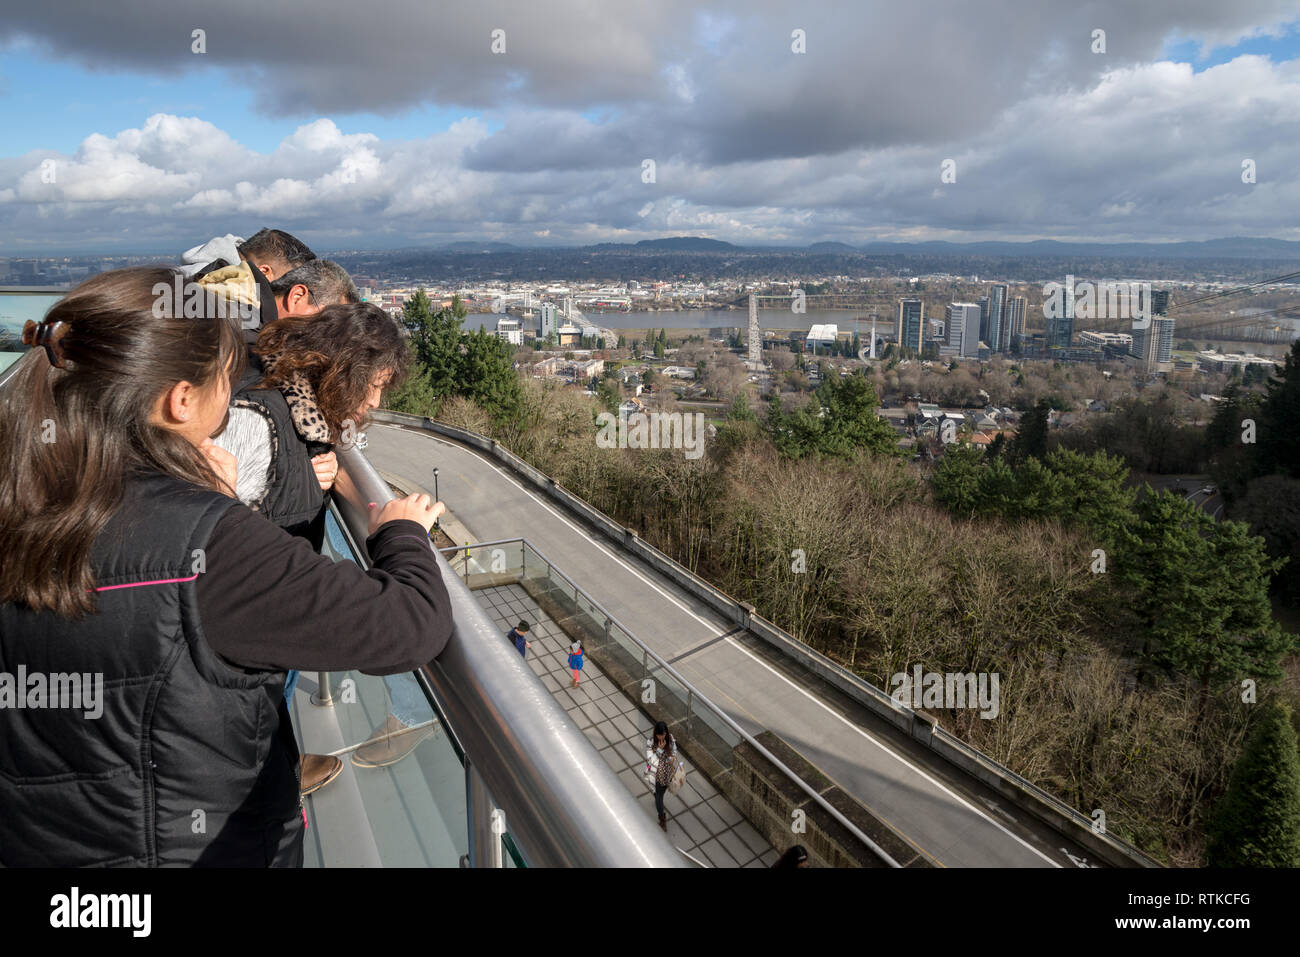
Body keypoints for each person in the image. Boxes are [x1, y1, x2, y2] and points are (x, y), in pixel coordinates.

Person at [0, 267, 454, 867]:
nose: (238, 387)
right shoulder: (208, 545)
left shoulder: (23, 489)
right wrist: (400, 531)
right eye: (225, 373)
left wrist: (204, 494)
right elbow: (408, 625)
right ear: (181, 399)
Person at [214, 301, 409, 790]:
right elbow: (202, 534)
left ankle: (276, 771)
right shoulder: (258, 419)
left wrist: (312, 462)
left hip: (248, 642)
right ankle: (266, 782)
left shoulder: (293, 411)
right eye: (376, 385)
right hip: (229, 652)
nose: (377, 403)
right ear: (345, 369)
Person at [645, 721, 679, 832]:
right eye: (659, 735)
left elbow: (674, 750)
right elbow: (651, 759)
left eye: (663, 734)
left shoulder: (670, 739)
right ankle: (662, 818)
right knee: (659, 797)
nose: (662, 737)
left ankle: (657, 797)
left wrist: (673, 757)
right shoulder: (651, 742)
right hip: (656, 774)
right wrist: (659, 750)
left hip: (667, 772)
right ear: (656, 734)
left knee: (660, 794)